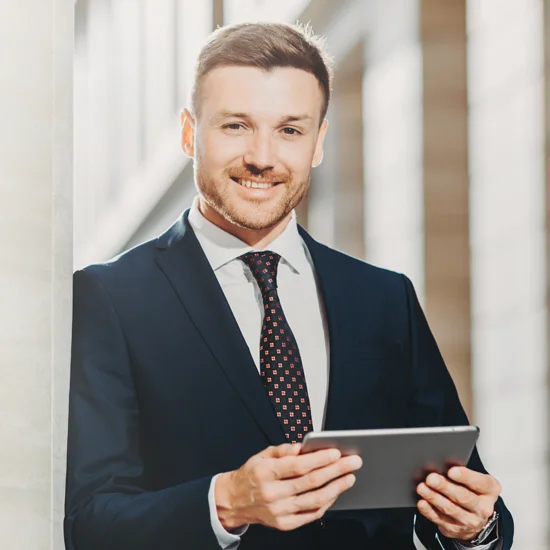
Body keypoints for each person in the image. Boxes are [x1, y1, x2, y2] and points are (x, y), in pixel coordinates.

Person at [64, 22, 513, 550]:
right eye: (236, 126)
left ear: (319, 142)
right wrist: (225, 502)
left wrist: (475, 527)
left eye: (290, 130)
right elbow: (89, 522)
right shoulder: (109, 298)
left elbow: (473, 504)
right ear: (190, 134)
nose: (262, 157)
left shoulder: (384, 300)